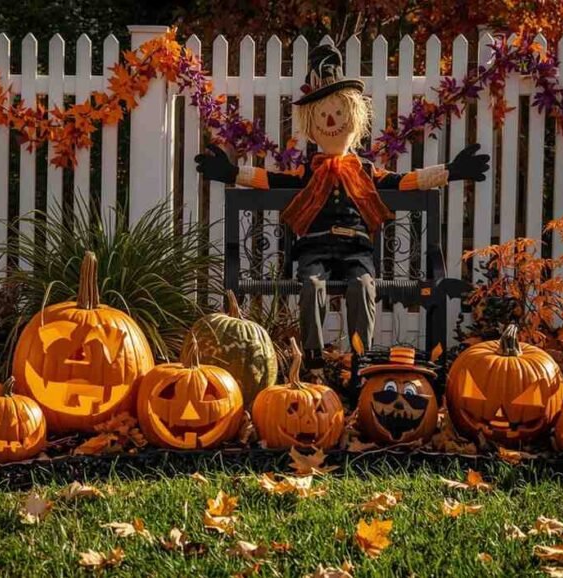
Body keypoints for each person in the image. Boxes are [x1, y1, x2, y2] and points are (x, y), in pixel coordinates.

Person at [197, 44, 489, 368]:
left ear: (353, 116)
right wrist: (232, 173)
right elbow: (273, 180)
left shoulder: (365, 170)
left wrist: (450, 172)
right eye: (322, 114)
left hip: (356, 248)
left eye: (337, 112)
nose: (331, 119)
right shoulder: (308, 171)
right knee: (310, 285)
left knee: (363, 285)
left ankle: (358, 356)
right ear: (312, 123)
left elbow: (404, 181)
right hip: (314, 247)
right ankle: (313, 355)